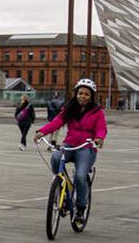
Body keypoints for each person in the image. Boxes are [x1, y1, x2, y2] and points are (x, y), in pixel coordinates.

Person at [34, 78, 107, 222]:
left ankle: (80, 207)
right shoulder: (69, 108)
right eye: (80, 93)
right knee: (55, 157)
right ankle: (62, 186)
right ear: (76, 93)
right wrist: (42, 131)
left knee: (80, 177)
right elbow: (57, 121)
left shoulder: (97, 112)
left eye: (86, 94)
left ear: (91, 96)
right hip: (69, 145)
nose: (82, 97)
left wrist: (99, 138)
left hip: (86, 147)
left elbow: (101, 127)